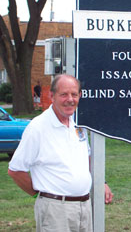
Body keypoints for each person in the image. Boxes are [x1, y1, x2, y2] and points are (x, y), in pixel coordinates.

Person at [8, 74, 113, 232]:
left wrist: (101, 182)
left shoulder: (79, 124)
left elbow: (87, 158)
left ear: (80, 96)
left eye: (74, 94)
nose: (70, 99)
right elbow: (15, 170)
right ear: (52, 96)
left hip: (85, 206)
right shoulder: (38, 128)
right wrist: (41, 196)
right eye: (64, 94)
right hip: (55, 211)